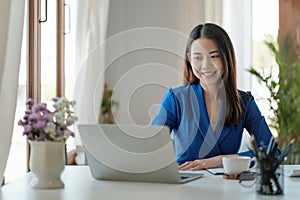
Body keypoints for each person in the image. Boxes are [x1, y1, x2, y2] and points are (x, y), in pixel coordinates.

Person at [152, 23, 275, 171]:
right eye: (198, 57)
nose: (206, 65)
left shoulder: (244, 102)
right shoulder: (176, 99)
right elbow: (151, 145)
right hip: (187, 186)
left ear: (226, 58)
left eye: (214, 56)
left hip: (229, 185)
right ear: (190, 59)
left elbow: (272, 151)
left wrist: (222, 160)